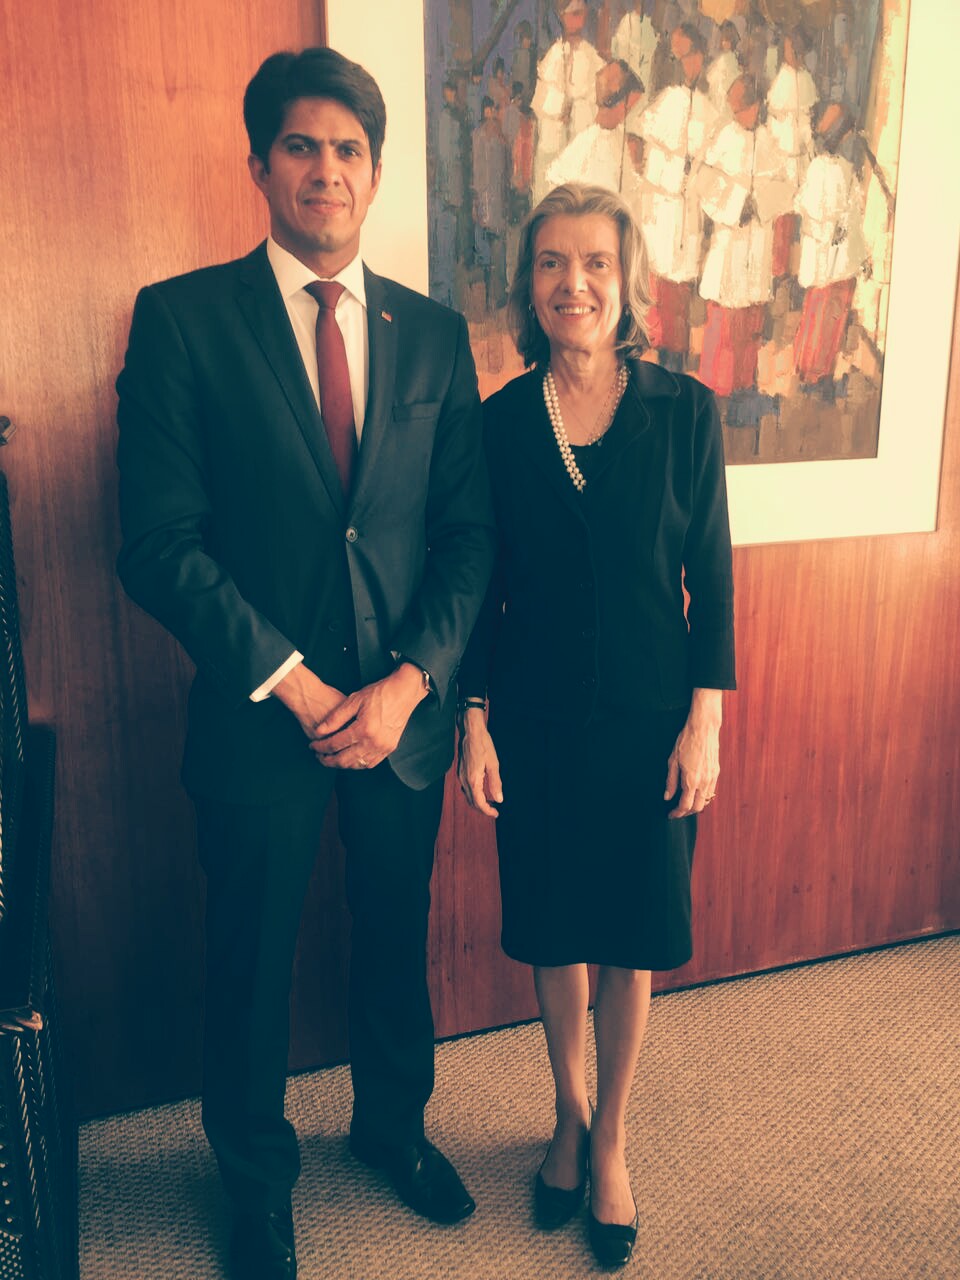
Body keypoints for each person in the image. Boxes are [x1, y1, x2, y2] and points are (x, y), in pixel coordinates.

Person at [115, 46, 495, 1280]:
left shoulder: (434, 335)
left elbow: (468, 536)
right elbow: (158, 544)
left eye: (347, 150)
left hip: (399, 716)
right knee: (251, 958)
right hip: (260, 715)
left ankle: (393, 1127)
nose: (325, 169)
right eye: (300, 146)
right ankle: (255, 1184)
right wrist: (296, 680)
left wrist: (409, 682)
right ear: (259, 165)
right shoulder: (182, 319)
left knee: (393, 935)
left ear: (374, 175)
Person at [457, 183, 735, 1270]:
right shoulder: (498, 422)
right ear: (528, 285)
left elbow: (711, 578)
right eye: (551, 263)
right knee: (556, 925)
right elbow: (482, 584)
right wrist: (474, 717)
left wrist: (705, 721)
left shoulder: (686, 411)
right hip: (533, 719)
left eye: (595, 263)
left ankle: (610, 1136)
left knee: (631, 933)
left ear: (628, 283)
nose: (573, 283)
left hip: (650, 720)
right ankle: (566, 1114)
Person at [697, 74, 793, 403]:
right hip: (731, 240)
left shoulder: (769, 141)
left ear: (756, 106)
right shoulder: (724, 137)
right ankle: (717, 388)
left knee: (751, 319)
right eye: (735, 110)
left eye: (742, 109)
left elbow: (786, 187)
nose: (738, 115)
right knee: (725, 319)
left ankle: (743, 386)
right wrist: (738, 204)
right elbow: (705, 182)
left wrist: (760, 203)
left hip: (758, 240)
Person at [633, 22, 719, 371]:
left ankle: (675, 357)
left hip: (686, 210)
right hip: (662, 206)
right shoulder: (665, 102)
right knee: (658, 283)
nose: (685, 63)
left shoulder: (708, 108)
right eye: (678, 56)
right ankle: (658, 354)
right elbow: (641, 145)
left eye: (689, 55)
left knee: (679, 288)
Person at [793, 102, 869, 391]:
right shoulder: (844, 171)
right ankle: (817, 376)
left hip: (824, 260)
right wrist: (861, 255)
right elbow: (852, 217)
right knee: (828, 320)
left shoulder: (817, 168)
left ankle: (808, 370)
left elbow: (803, 204)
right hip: (838, 262)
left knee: (816, 316)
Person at [531, 0, 604, 203]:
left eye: (579, 13)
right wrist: (560, 108)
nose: (576, 19)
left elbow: (596, 105)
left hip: (580, 143)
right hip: (553, 145)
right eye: (571, 14)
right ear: (561, 16)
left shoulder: (592, 57)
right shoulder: (552, 56)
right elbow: (541, 105)